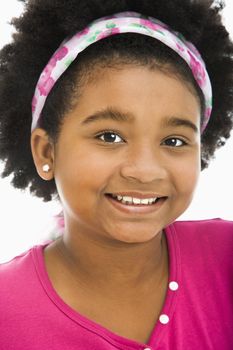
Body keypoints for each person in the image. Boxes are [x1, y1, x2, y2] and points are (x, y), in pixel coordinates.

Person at [0, 0, 232, 348]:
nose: (144, 170)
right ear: (46, 151)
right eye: (109, 137)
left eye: (173, 140)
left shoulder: (226, 258)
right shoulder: (7, 311)